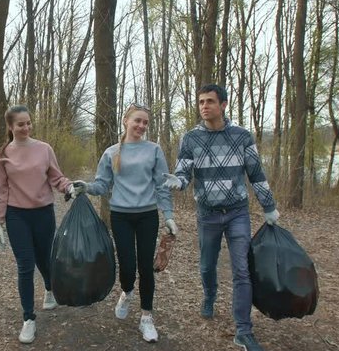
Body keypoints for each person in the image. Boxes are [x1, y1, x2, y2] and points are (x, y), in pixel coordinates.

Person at [163, 84, 279, 351]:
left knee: (242, 270)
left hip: (238, 212)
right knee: (206, 266)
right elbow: (184, 174)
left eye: (210, 101)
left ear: (224, 105)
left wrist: (268, 207)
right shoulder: (190, 139)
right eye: (201, 102)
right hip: (207, 215)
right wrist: (177, 182)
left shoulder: (242, 136)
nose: (204, 106)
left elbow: (256, 174)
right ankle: (209, 295)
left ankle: (243, 330)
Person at [71, 103, 178, 343]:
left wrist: (168, 216)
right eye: (137, 121)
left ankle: (146, 318)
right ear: (126, 121)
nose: (141, 126)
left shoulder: (154, 150)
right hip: (120, 216)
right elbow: (102, 184)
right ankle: (127, 291)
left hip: (147, 216)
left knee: (145, 268)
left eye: (145, 123)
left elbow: (162, 186)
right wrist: (85, 187)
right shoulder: (111, 152)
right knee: (128, 267)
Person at [0, 105, 74, 344]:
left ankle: (49, 288)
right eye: (20, 124)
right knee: (25, 265)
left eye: (28, 123)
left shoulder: (44, 149)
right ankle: (28, 318)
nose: (26, 127)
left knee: (44, 258)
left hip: (43, 213)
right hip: (17, 216)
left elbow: (56, 177)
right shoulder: (3, 154)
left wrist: (68, 187)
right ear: (10, 126)